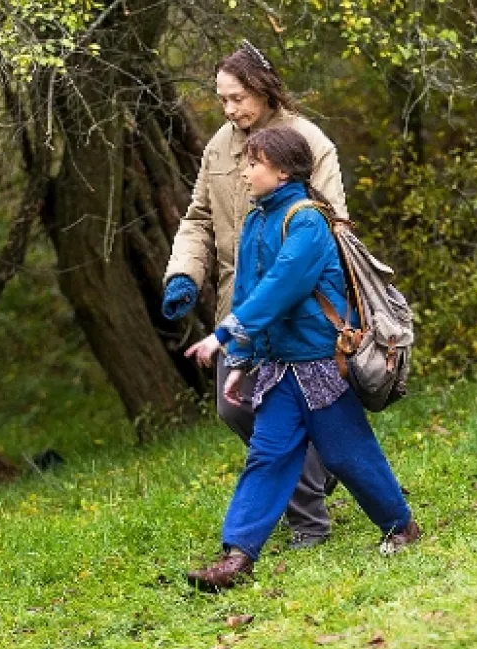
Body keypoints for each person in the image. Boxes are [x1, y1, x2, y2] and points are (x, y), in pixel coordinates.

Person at [182, 127, 421, 591]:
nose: (245, 172)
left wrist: (223, 334)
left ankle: (401, 526)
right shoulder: (256, 221)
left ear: (283, 172)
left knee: (348, 454)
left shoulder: (307, 219)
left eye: (254, 163)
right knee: (267, 457)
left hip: (322, 365)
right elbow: (247, 293)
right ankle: (237, 557)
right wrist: (242, 360)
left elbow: (283, 287)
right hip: (278, 369)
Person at [163, 41, 348, 549]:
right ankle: (316, 474)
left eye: (238, 98)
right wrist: (184, 274)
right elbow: (198, 218)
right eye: (222, 99)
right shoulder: (219, 147)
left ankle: (310, 516)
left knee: (288, 413)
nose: (229, 109)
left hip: (300, 307)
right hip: (237, 303)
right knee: (236, 409)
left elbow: (331, 223)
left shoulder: (308, 141)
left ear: (264, 90)